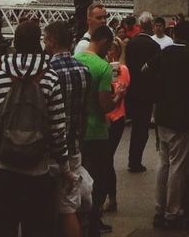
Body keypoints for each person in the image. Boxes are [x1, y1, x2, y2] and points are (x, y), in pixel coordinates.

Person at [0, 18, 70, 237]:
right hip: (37, 174)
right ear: (39, 44)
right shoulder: (50, 79)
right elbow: (57, 129)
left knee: (2, 229)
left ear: (15, 43)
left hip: (2, 172)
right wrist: (64, 166)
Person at [153, 19, 189, 230]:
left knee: (163, 163)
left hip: (163, 115)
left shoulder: (163, 53)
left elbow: (147, 72)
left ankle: (159, 208)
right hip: (183, 117)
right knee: (178, 166)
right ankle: (172, 212)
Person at [44, 20, 92, 237]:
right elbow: (85, 112)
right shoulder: (84, 70)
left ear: (52, 42)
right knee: (69, 207)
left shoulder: (47, 72)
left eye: (45, 39)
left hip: (50, 150)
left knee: (47, 206)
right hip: (73, 146)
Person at [74, 24, 116, 237]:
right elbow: (105, 105)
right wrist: (120, 96)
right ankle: (93, 224)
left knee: (78, 179)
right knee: (99, 180)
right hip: (97, 132)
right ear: (104, 41)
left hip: (77, 132)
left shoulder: (76, 60)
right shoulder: (103, 67)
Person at [125, 11, 159, 173]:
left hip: (132, 90)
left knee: (135, 126)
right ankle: (136, 160)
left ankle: (132, 158)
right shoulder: (154, 46)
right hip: (147, 92)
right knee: (142, 128)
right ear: (151, 26)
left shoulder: (131, 44)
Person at [105, 37, 130, 213]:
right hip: (104, 117)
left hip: (116, 117)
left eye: (112, 49)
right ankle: (110, 197)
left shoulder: (122, 69)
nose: (109, 52)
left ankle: (111, 198)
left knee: (106, 158)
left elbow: (121, 89)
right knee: (105, 159)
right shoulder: (103, 68)